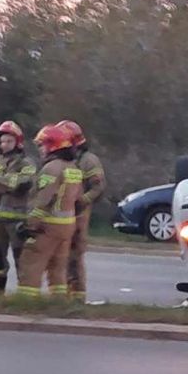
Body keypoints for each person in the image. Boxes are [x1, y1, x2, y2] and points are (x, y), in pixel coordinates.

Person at [17, 123, 83, 298]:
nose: (40, 149)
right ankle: (58, 301)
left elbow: (44, 199)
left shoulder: (51, 168)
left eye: (42, 145)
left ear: (52, 145)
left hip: (48, 226)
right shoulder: (74, 169)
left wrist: (31, 224)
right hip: (67, 226)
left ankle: (26, 301)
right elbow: (78, 198)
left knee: (31, 262)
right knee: (58, 266)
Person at [0, 120, 37, 294]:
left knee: (21, 257)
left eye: (9, 141)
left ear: (17, 142)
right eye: (2, 141)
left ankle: (24, 292)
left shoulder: (27, 163)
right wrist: (5, 183)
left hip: (15, 219)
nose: (4, 145)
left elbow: (23, 184)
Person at [59, 120, 106, 303]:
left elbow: (98, 187)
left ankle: (77, 296)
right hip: (63, 212)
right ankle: (65, 293)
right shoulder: (63, 160)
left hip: (79, 213)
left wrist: (82, 201)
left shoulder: (88, 160)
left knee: (74, 255)